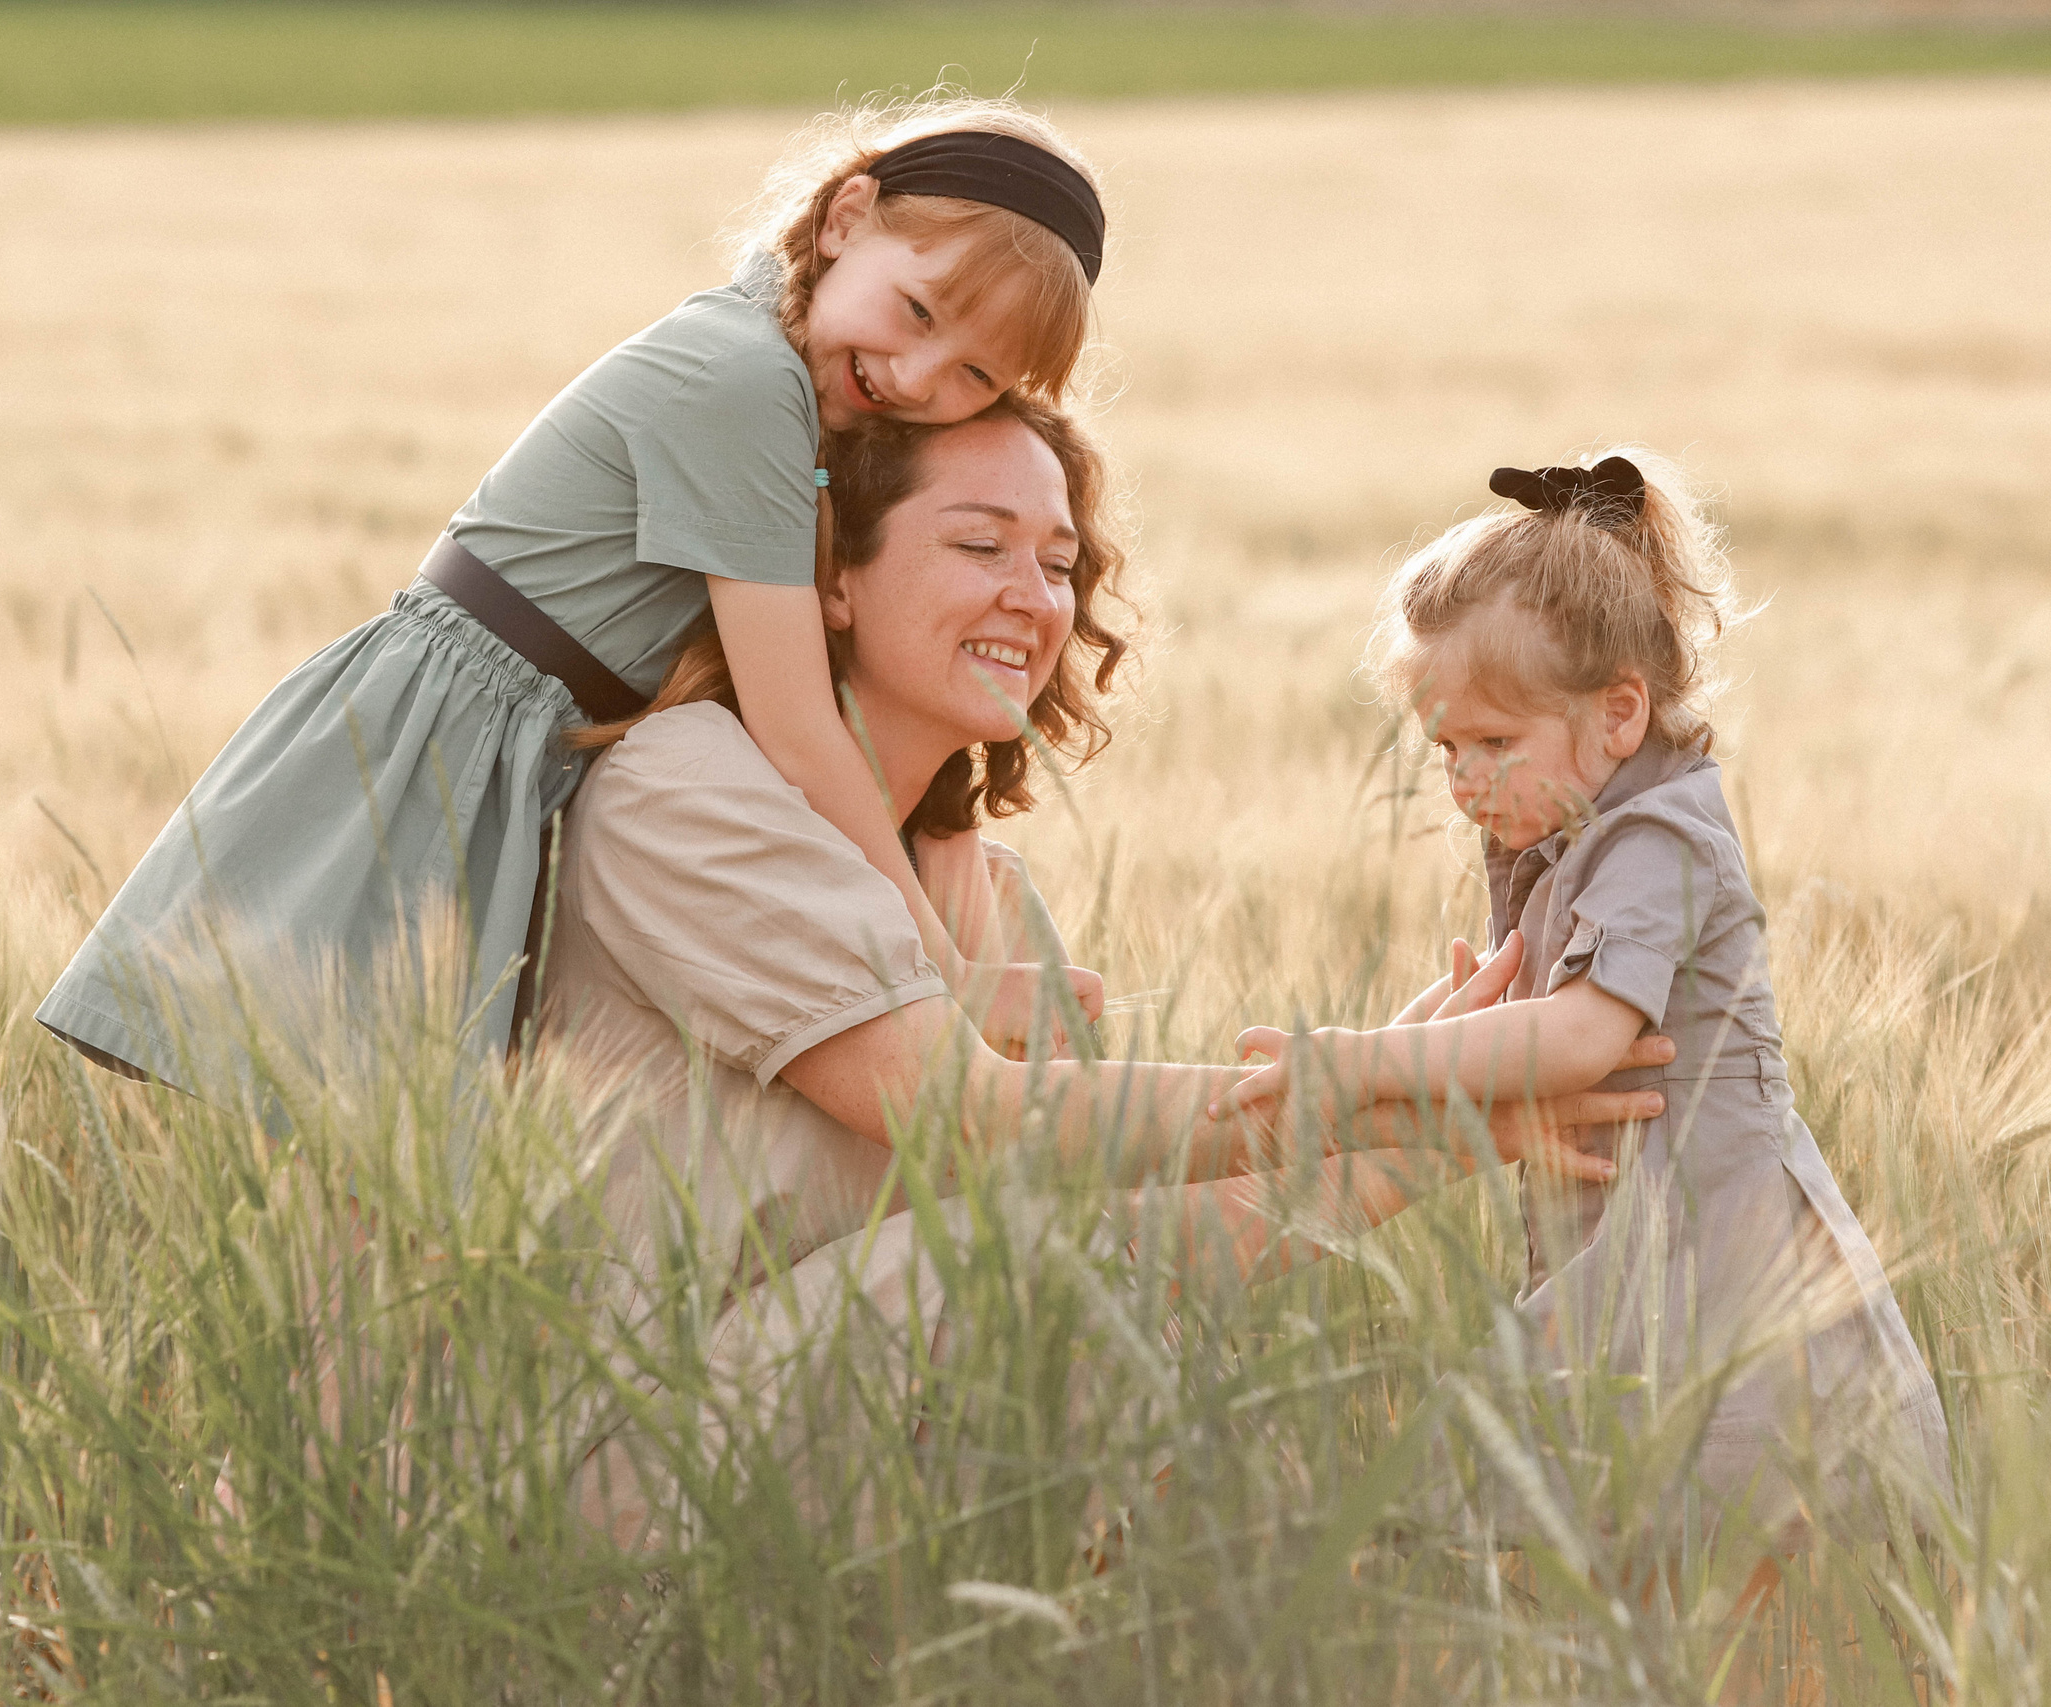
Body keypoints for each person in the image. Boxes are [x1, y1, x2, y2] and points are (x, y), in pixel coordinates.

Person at [532, 401, 1676, 1541]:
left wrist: (1434, 1127)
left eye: (1060, 564)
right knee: (1045, 1272)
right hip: (622, 1476)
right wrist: (1373, 1081)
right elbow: (977, 1119)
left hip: (823, 1482)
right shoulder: (687, 796)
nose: (1031, 599)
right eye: (979, 546)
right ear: (834, 579)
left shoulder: (986, 894)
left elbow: (1156, 1254)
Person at [34, 95, 1111, 1095]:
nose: (921, 381)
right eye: (917, 310)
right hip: (444, 747)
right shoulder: (740, 383)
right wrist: (942, 962)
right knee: (350, 1120)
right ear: (843, 218)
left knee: (395, 1128)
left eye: (976, 376)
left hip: (516, 741)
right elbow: (796, 728)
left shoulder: (778, 357)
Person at [1228, 452, 1950, 1532]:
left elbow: (1576, 1038)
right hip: (1632, 1266)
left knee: (1722, 1552)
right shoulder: (1572, 836)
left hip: (1723, 1281)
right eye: (1444, 748)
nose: (1463, 778)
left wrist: (1360, 1061)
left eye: (1493, 742)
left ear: (1619, 715)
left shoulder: (1659, 837)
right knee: (1590, 1545)